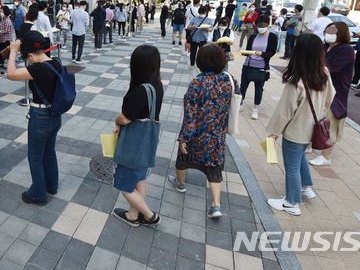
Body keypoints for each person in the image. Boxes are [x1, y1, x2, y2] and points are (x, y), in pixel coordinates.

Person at [167, 43, 239, 219]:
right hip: (216, 135)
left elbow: (189, 113)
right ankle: (216, 205)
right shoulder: (230, 80)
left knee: (184, 158)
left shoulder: (197, 82)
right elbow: (238, 103)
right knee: (214, 168)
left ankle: (180, 183)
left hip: (196, 134)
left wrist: (184, 137)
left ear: (200, 61)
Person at [266, 34, 335, 216]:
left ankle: (291, 202)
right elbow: (330, 97)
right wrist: (320, 113)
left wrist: (273, 132)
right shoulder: (324, 73)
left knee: (291, 166)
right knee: (300, 157)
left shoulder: (296, 80)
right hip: (314, 127)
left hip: (296, 130)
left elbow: (284, 111)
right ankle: (306, 187)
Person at [6, 31, 64, 204]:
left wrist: (13, 51)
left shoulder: (37, 69)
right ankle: (51, 186)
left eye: (27, 57)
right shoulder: (57, 63)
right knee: (50, 152)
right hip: (55, 115)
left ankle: (38, 194)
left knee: (35, 157)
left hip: (40, 116)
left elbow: (10, 74)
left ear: (30, 54)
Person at [111, 45, 163, 226]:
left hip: (132, 147)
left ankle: (150, 216)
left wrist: (117, 120)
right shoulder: (156, 86)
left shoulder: (140, 91)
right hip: (145, 146)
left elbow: (125, 119)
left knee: (124, 186)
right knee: (140, 178)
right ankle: (133, 215)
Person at [308, 22, 354, 166]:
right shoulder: (324, 47)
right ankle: (309, 145)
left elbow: (330, 68)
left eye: (333, 31)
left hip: (336, 93)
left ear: (341, 33)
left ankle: (325, 156)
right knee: (315, 118)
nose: (329, 34)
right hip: (318, 89)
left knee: (330, 123)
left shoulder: (346, 49)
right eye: (328, 31)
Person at [240, 14, 278, 120]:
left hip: (261, 67)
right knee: (243, 86)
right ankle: (240, 104)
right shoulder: (252, 36)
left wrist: (262, 54)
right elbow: (248, 49)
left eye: (263, 25)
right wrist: (245, 53)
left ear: (268, 25)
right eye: (258, 26)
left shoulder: (272, 37)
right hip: (248, 64)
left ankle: (255, 109)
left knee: (259, 88)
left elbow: (271, 52)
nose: (260, 28)